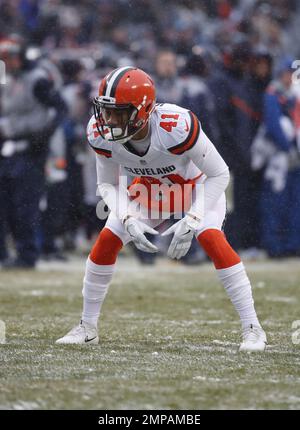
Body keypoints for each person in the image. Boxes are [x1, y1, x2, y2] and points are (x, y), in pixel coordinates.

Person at [56, 66, 267, 352]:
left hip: (195, 188)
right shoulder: (100, 132)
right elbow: (107, 185)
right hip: (149, 191)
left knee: (210, 236)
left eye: (118, 112)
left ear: (143, 110)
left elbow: (219, 174)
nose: (108, 120)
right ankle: (87, 325)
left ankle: (253, 327)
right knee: (108, 238)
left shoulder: (175, 126)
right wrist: (128, 218)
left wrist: (192, 218)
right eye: (106, 110)